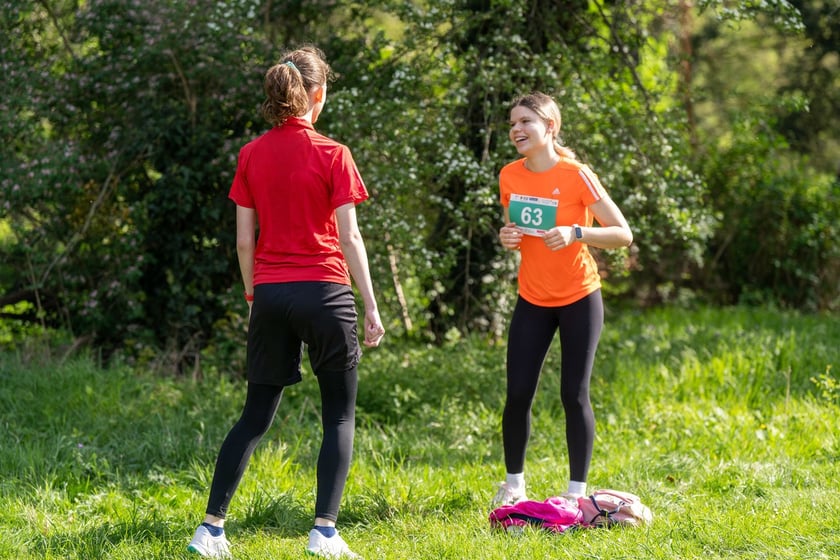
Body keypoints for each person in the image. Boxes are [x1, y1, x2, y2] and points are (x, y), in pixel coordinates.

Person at [187, 45, 385, 559]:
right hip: (326, 292)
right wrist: (370, 303)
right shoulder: (333, 152)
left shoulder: (251, 154)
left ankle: (210, 530)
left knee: (254, 416)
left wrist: (254, 295)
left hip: (271, 294)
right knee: (339, 416)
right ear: (316, 95)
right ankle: (323, 533)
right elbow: (351, 238)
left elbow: (243, 243)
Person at [491, 92, 632, 509]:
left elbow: (623, 234)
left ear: (550, 127)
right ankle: (514, 484)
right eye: (512, 123)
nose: (516, 130)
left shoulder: (577, 174)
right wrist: (507, 238)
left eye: (525, 122)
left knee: (574, 393)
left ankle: (577, 495)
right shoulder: (509, 175)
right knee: (518, 393)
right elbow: (514, 231)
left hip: (578, 297)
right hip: (532, 298)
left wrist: (577, 232)